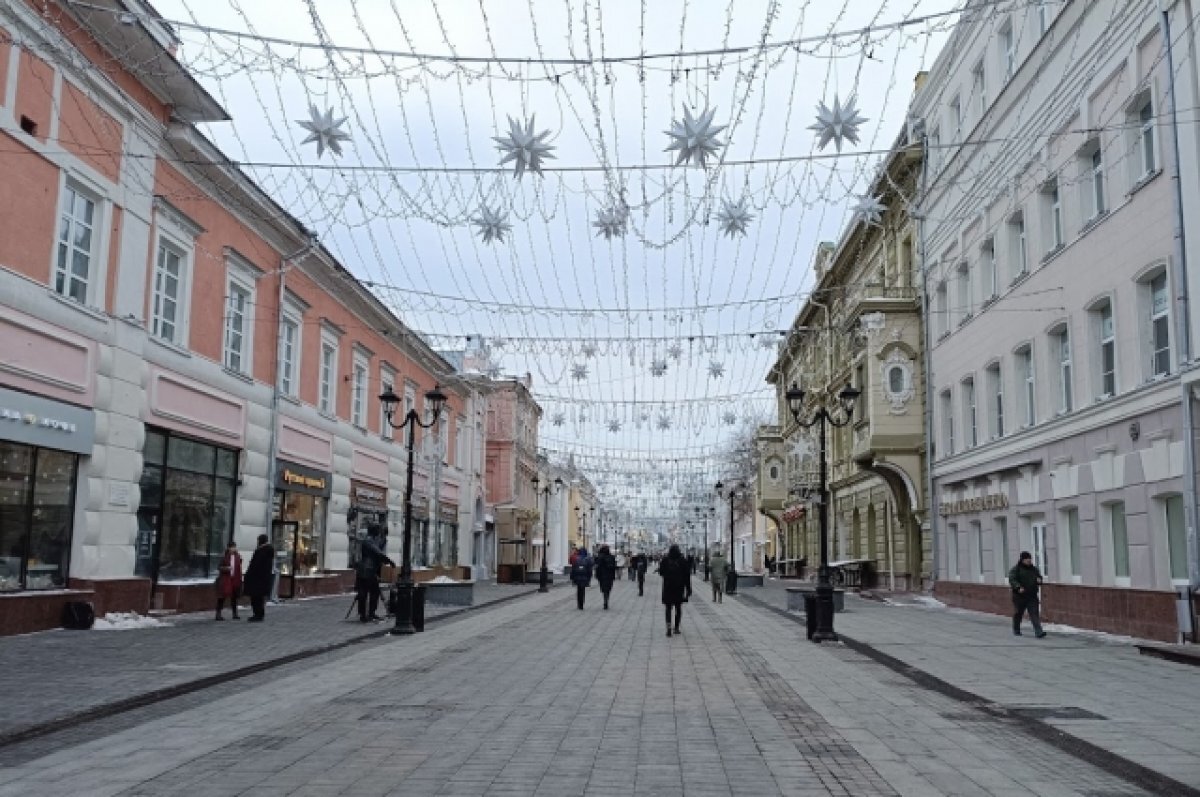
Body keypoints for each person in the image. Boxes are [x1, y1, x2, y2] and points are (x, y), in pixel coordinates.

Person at [356, 525, 395, 623]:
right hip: (367, 570)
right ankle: (367, 614)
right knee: (369, 592)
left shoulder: (371, 540)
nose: (379, 532)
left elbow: (379, 549)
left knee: (367, 592)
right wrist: (390, 561)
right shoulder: (369, 541)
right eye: (378, 530)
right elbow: (378, 553)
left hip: (367, 570)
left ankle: (366, 614)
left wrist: (384, 538)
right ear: (374, 531)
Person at [1008, 551, 1047, 638]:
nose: (1029, 560)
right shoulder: (1016, 569)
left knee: (1034, 613)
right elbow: (1012, 579)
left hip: (1032, 595)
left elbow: (1039, 577)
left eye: (1030, 559)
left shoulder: (1034, 569)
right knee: (1018, 613)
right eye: (1027, 559)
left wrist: (1039, 580)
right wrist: (1018, 587)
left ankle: (1039, 632)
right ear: (1022, 560)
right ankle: (1016, 629)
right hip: (1020, 596)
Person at [658, 544, 692, 637]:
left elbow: (661, 572)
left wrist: (668, 575)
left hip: (668, 587)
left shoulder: (665, 560)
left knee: (668, 608)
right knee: (678, 607)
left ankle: (668, 628)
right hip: (679, 587)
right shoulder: (682, 560)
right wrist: (688, 589)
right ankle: (676, 628)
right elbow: (687, 576)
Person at [243, 534, 275, 622]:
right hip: (263, 579)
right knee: (259, 598)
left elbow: (255, 565)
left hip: (256, 579)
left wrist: (249, 575)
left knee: (256, 598)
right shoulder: (268, 551)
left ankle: (257, 614)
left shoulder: (261, 551)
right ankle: (260, 614)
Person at [214, 541, 242, 620]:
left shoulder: (237, 556)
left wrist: (239, 578)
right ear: (228, 548)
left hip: (234, 579)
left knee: (234, 597)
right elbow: (219, 567)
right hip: (225, 579)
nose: (233, 549)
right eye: (232, 547)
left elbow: (239, 568)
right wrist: (226, 568)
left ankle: (235, 614)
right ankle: (218, 614)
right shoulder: (224, 556)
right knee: (222, 596)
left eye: (234, 547)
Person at [594, 544, 617, 610]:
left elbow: (597, 567)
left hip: (602, 576)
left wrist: (597, 575)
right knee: (608, 589)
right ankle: (606, 600)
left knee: (603, 589)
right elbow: (614, 567)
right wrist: (613, 576)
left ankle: (605, 600)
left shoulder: (599, 557)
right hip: (609, 576)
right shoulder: (612, 557)